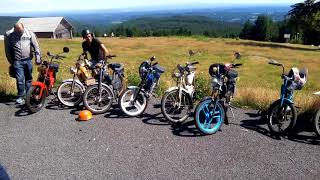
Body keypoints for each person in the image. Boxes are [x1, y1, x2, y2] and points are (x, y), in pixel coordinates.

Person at [4, 23, 41, 105]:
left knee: (29, 78)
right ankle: (20, 97)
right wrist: (11, 61)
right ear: (14, 29)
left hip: (28, 60)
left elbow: (36, 46)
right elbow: (7, 50)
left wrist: (38, 57)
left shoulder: (29, 34)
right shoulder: (9, 35)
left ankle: (28, 96)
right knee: (20, 79)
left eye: (20, 31)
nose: (19, 33)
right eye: (17, 31)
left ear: (23, 28)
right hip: (17, 61)